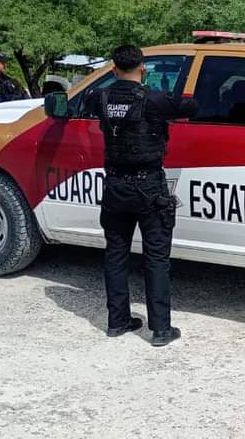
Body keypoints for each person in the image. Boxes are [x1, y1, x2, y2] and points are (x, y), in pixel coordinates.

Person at [84, 45, 197, 347]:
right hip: (148, 186)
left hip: (115, 186)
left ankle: (117, 321)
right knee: (156, 258)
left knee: (116, 254)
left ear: (113, 68)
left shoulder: (101, 97)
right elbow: (190, 107)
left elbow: (86, 100)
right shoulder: (153, 100)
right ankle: (160, 330)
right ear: (143, 68)